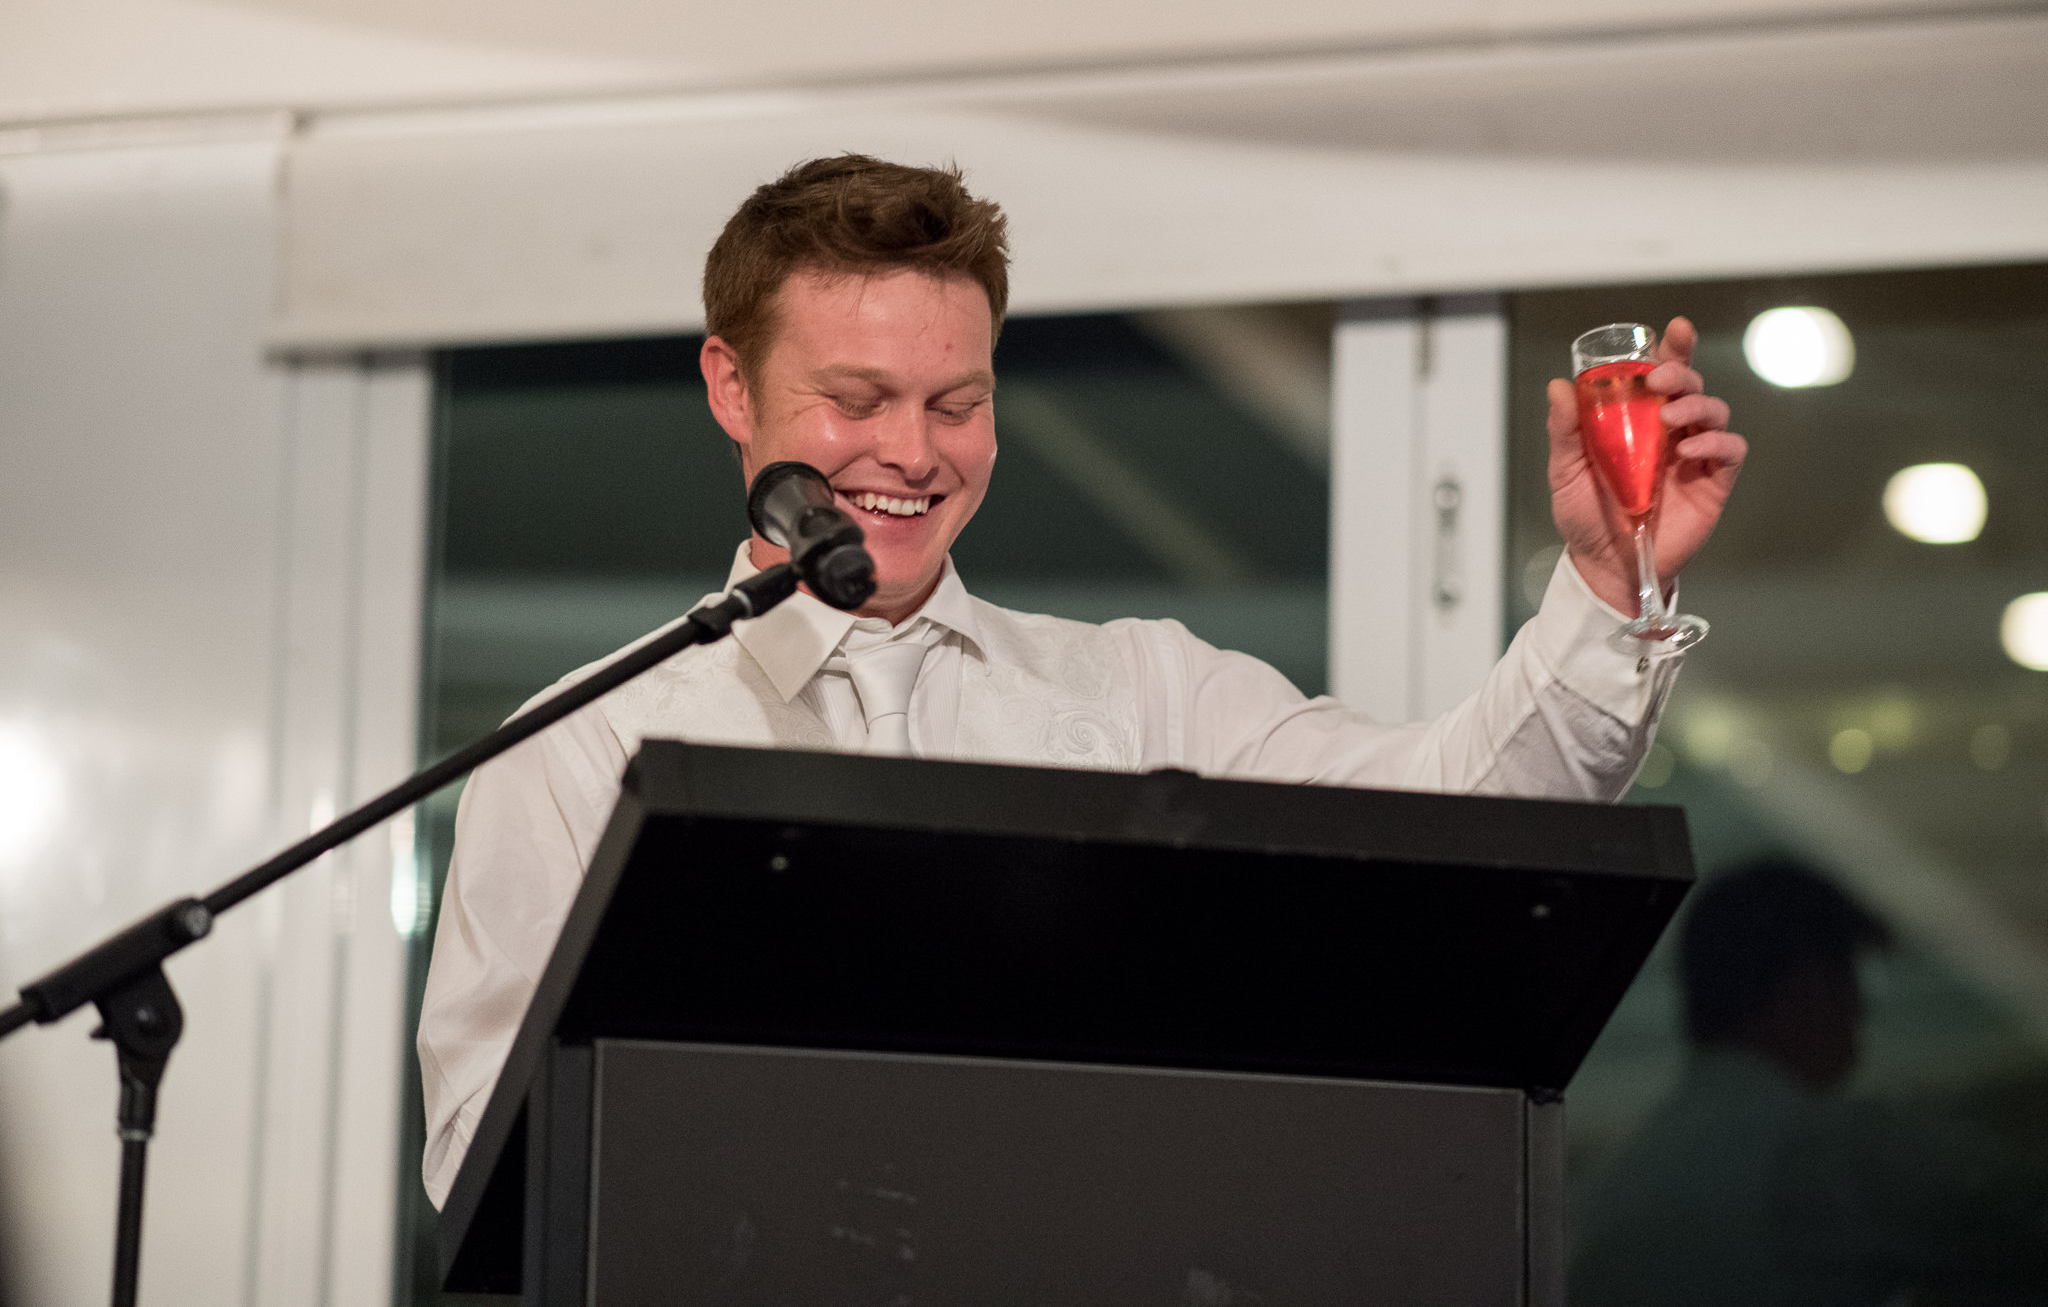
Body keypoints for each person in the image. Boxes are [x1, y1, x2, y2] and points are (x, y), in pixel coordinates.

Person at [416, 154, 1748, 1207]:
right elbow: (492, 1162)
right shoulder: (583, 743)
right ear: (730, 385)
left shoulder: (1146, 692)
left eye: (957, 401)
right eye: (858, 396)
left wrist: (1606, 583)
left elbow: (1470, 819)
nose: (912, 451)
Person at [1573, 860, 2048, 1306]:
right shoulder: (1828, 1151)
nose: (1863, 1011)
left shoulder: (1613, 1186)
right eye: (1853, 976)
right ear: (1803, 984)